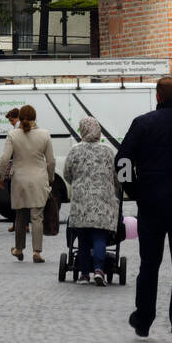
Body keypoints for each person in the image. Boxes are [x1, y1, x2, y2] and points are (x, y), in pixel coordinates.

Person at [116, 76, 172, 343]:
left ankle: (143, 319)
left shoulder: (143, 124)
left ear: (157, 97)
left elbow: (122, 162)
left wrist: (136, 192)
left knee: (149, 265)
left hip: (151, 205)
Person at [63, 116, 119, 284]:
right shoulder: (108, 150)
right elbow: (116, 176)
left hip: (81, 202)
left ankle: (84, 274)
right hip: (103, 201)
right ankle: (99, 270)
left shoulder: (75, 150)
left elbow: (67, 174)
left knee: (83, 239)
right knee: (100, 236)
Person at [0, 105, 54, 264]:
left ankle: (19, 249)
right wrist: (50, 178)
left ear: (20, 117)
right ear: (35, 117)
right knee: (37, 217)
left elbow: (4, 159)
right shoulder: (45, 135)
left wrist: (0, 176)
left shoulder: (13, 135)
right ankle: (37, 251)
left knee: (20, 216)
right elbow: (50, 161)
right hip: (39, 179)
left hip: (19, 180)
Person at [0, 109, 20, 231]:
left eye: (12, 120)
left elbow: (7, 155)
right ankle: (23, 223)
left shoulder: (14, 132)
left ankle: (17, 223)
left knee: (14, 198)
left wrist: (0, 174)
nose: (11, 123)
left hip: (16, 168)